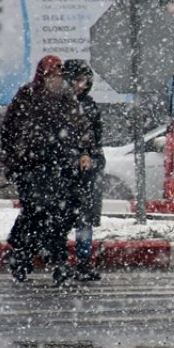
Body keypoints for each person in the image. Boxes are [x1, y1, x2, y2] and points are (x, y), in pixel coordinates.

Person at [0, 55, 88, 283]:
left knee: (60, 214)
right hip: (32, 166)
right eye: (52, 74)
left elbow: (80, 126)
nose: (56, 79)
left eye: (59, 75)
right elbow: (10, 129)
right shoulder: (27, 95)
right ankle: (22, 255)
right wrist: (16, 159)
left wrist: (81, 150)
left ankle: (57, 260)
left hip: (59, 166)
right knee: (35, 213)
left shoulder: (66, 98)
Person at [61, 59, 104, 283]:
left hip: (86, 176)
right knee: (60, 218)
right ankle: (59, 262)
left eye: (83, 80)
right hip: (64, 174)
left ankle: (83, 262)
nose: (80, 85)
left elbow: (96, 140)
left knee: (84, 221)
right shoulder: (58, 105)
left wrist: (91, 159)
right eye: (75, 80)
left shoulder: (89, 106)